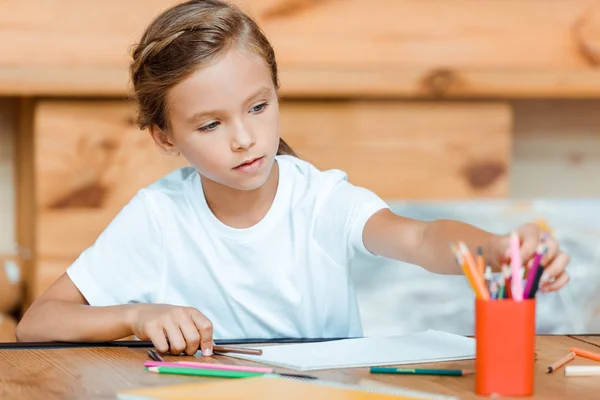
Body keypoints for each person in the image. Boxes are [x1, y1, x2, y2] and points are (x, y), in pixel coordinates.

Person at [16, 0, 570, 357]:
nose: (243, 138)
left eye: (258, 107)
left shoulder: (320, 198)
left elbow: (421, 238)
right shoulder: (157, 216)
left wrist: (495, 248)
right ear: (165, 137)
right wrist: (139, 314)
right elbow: (37, 322)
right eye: (210, 124)